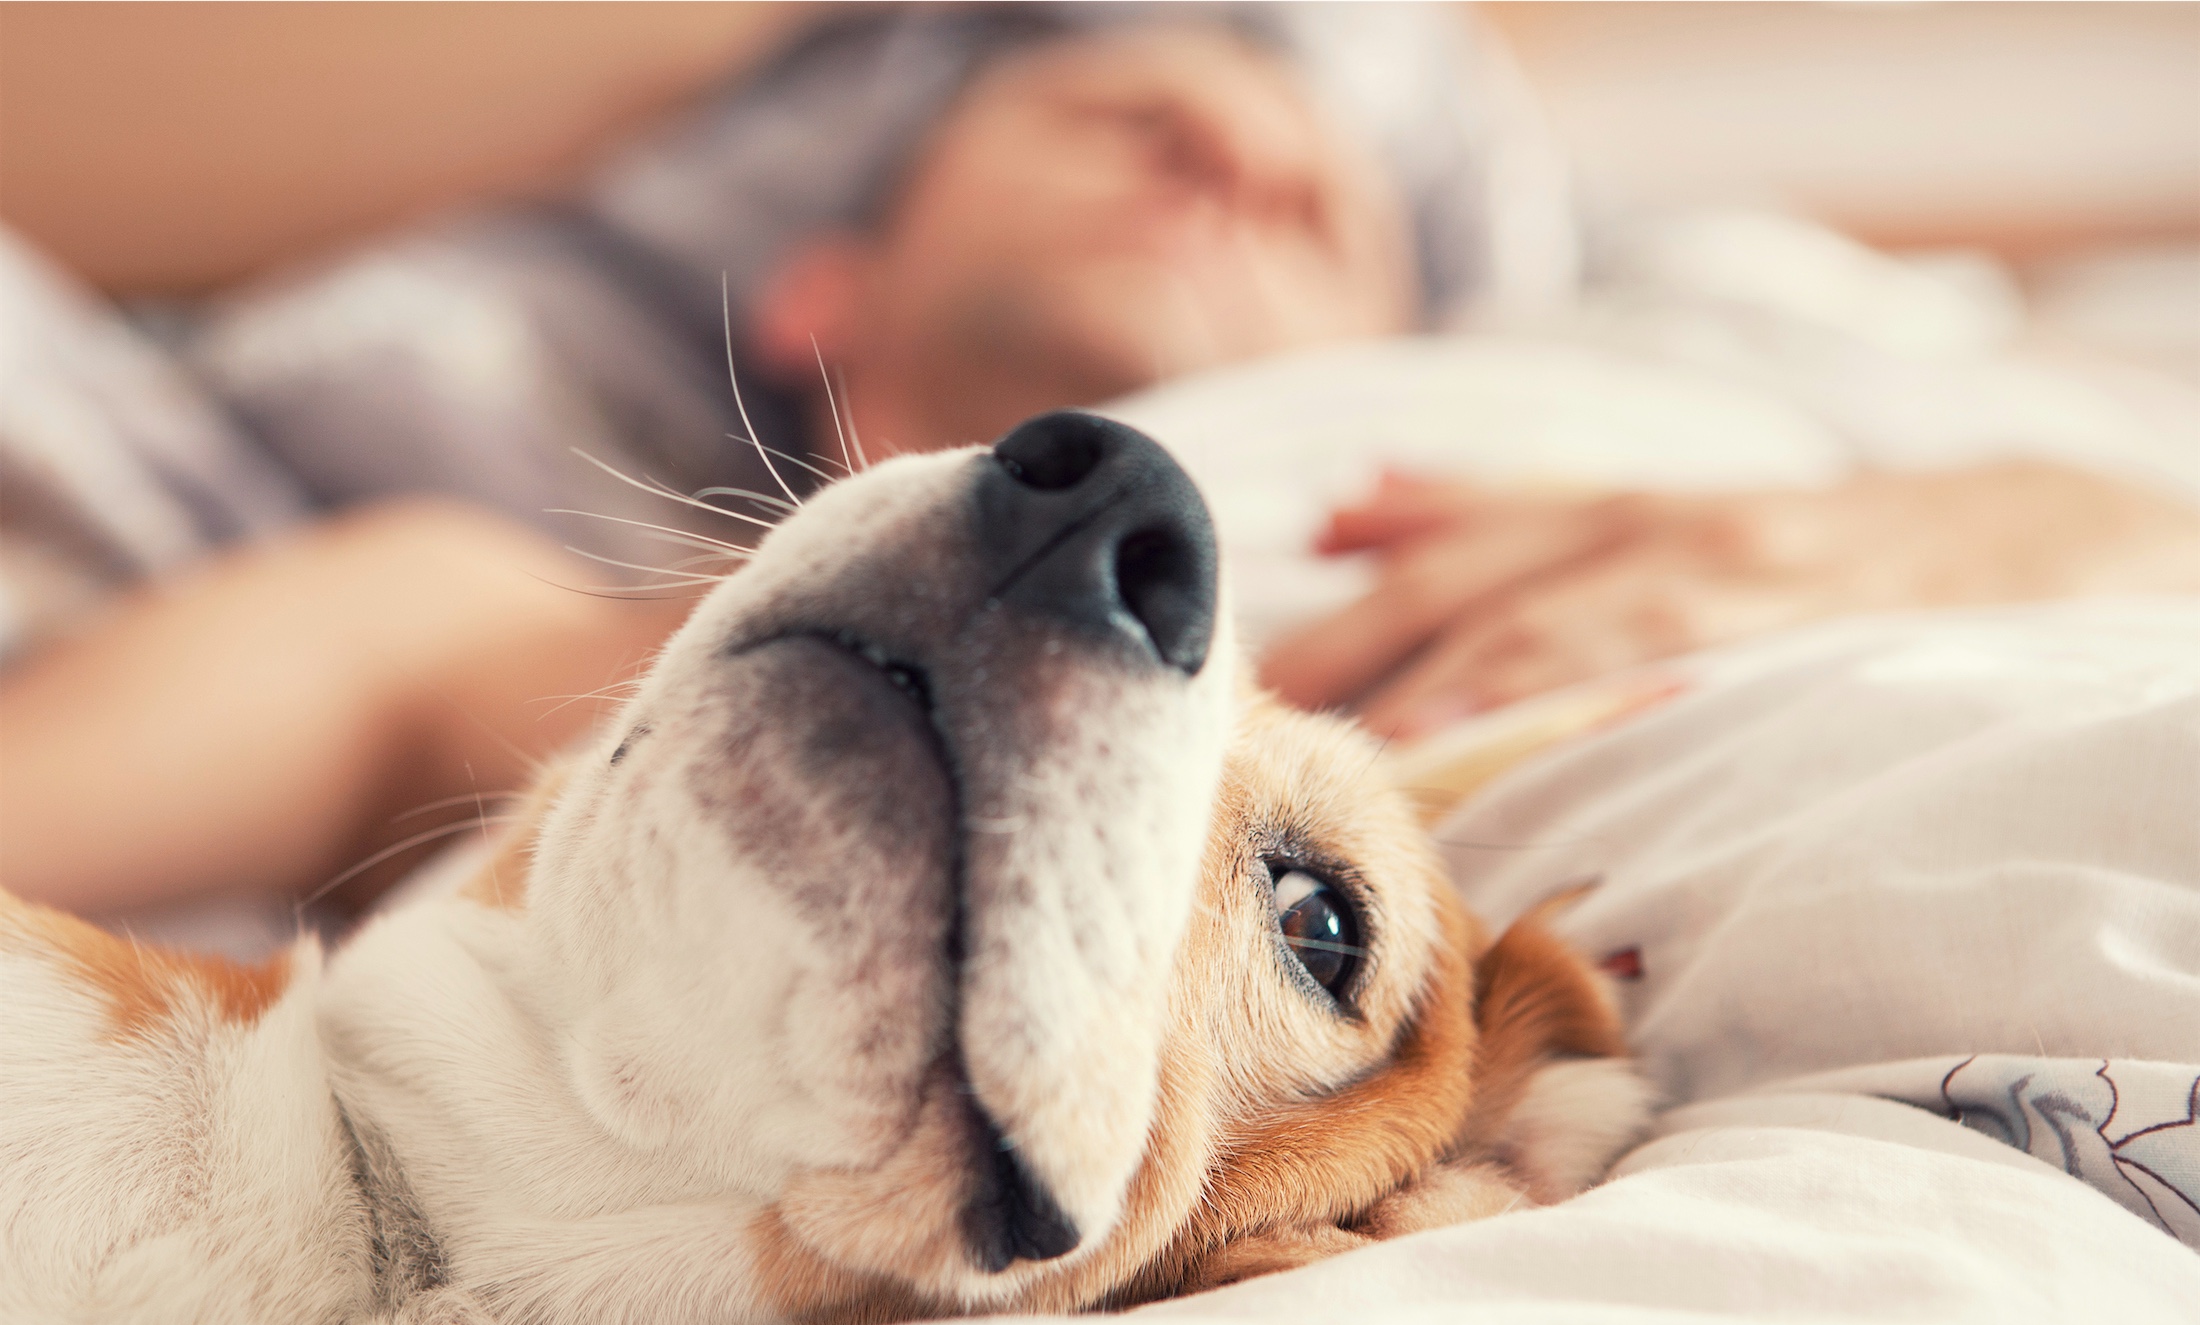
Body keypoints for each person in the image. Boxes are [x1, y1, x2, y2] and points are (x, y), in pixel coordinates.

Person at [0, 4, 2190, 924]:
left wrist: (1925, 518)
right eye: (1113, 120)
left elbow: (2142, 514)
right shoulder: (553, 620)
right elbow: (381, 667)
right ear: (821, 290)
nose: (1231, 126)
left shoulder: (1671, 396)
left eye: (1309, 198)